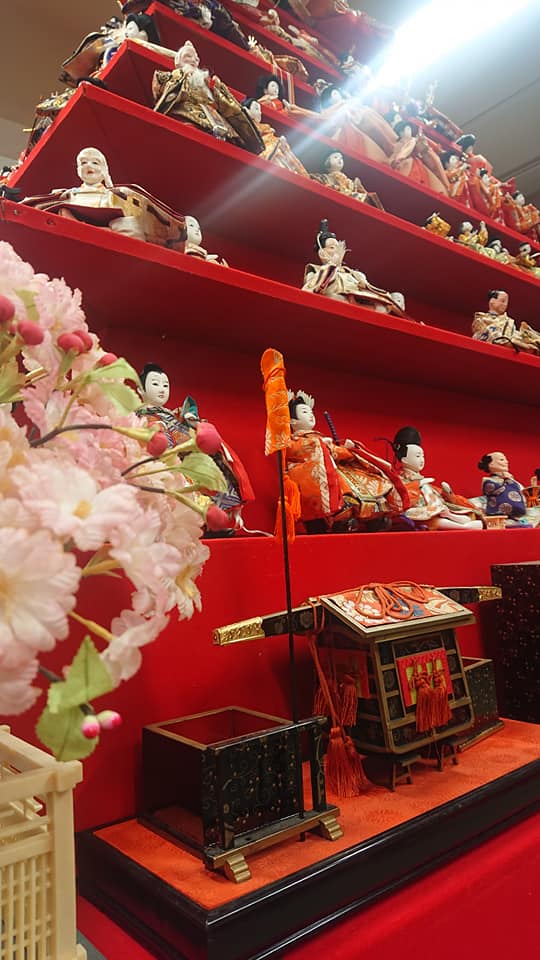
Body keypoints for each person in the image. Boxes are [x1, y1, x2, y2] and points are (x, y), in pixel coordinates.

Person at [137, 363, 254, 530]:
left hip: (189, 455)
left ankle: (216, 522)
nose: (162, 389)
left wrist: (191, 421)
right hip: (168, 462)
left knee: (215, 473)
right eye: (155, 384)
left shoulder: (172, 413)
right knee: (187, 486)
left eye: (165, 385)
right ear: (140, 390)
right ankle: (200, 523)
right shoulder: (142, 417)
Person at [285, 392, 407, 532]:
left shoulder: (319, 438)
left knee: (364, 476)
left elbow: (333, 450)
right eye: (305, 412)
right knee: (336, 480)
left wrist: (348, 449)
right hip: (314, 474)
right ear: (292, 421)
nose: (310, 415)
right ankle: (341, 515)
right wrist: (326, 447)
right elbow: (310, 451)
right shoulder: (296, 442)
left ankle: (374, 511)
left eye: (311, 412)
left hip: (335, 467)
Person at [21, 147, 186, 248]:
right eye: (83, 162)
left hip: (114, 235)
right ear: (77, 169)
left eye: (95, 163)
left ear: (105, 169)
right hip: (74, 232)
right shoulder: (68, 194)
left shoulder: (118, 194)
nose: (89, 166)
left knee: (129, 224)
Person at [153, 41, 264, 153]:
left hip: (213, 116)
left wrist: (218, 89)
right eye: (188, 56)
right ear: (178, 61)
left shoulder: (204, 81)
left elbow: (220, 103)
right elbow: (165, 95)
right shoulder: (171, 76)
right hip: (188, 112)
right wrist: (183, 76)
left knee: (234, 143)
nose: (193, 60)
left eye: (196, 58)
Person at [302, 219, 406, 317]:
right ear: (321, 253)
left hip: (358, 298)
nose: (337, 250)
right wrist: (332, 265)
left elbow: (366, 287)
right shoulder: (315, 269)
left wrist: (363, 283)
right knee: (332, 297)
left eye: (338, 247)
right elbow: (310, 290)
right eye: (332, 247)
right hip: (338, 298)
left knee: (392, 299)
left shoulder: (351, 272)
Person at [393, 427, 483, 530]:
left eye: (423, 456)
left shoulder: (425, 482)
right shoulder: (399, 480)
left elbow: (440, 498)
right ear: (404, 459)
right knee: (427, 518)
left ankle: (455, 519)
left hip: (438, 508)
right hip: (419, 511)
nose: (422, 460)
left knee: (468, 513)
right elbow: (399, 500)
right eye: (418, 456)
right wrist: (417, 486)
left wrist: (448, 495)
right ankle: (462, 526)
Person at [242, 99, 309, 176]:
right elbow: (258, 144)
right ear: (246, 110)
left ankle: (294, 173)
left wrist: (282, 145)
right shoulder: (248, 128)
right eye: (256, 109)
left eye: (260, 110)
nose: (260, 113)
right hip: (264, 153)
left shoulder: (265, 127)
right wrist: (276, 144)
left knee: (284, 151)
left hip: (274, 150)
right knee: (277, 153)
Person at [389, 121, 449, 195]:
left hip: (418, 166)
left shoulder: (414, 143)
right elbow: (394, 158)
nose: (409, 131)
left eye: (409, 129)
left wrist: (421, 144)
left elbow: (424, 152)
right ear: (400, 132)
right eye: (407, 129)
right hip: (406, 167)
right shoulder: (399, 144)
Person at [472, 290, 540, 354]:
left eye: (506, 302)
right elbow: (483, 335)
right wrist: (509, 342)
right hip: (496, 344)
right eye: (502, 301)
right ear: (492, 301)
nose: (505, 304)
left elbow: (513, 335)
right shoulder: (481, 318)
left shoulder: (508, 320)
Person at [477, 452, 528, 525]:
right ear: (491, 464)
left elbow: (523, 493)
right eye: (502, 460)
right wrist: (505, 479)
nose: (506, 462)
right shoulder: (488, 481)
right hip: (497, 515)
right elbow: (495, 490)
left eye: (506, 459)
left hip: (517, 515)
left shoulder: (511, 480)